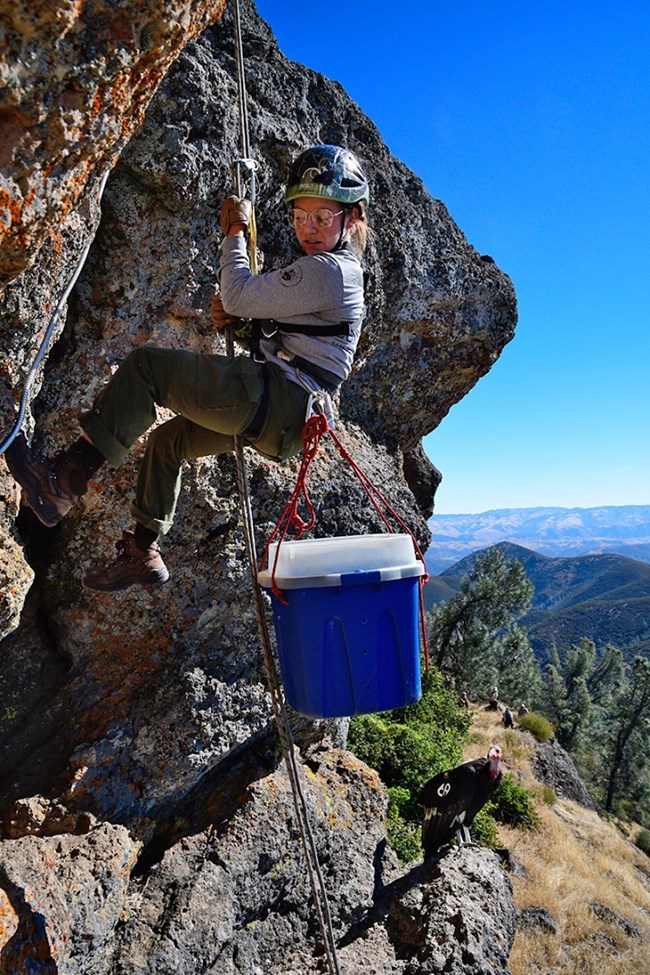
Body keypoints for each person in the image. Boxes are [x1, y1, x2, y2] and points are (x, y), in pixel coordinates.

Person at [5, 145, 369, 593]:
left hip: (278, 399)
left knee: (146, 369)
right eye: (300, 215)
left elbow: (237, 293)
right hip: (288, 423)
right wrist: (239, 331)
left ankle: (63, 480)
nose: (308, 228)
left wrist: (235, 232)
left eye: (323, 217)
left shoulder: (330, 271)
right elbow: (292, 342)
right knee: (168, 440)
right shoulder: (331, 272)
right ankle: (143, 550)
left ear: (351, 219)